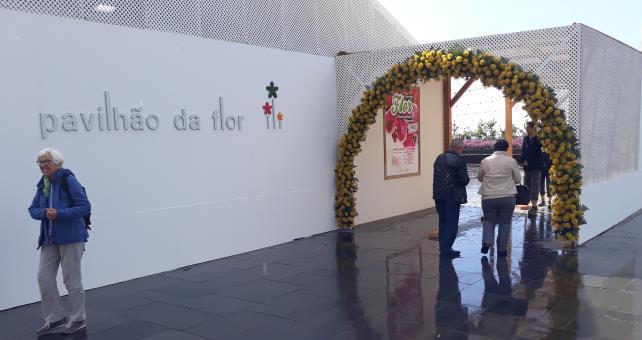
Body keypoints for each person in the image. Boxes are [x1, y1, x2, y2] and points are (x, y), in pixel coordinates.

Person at [28, 148, 90, 336]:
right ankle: (55, 318)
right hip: (49, 238)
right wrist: (45, 213)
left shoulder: (67, 179)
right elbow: (32, 209)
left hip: (71, 237)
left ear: (57, 163)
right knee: (44, 277)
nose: (43, 165)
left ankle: (78, 319)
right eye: (40, 162)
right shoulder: (43, 184)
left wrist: (60, 214)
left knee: (71, 279)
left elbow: (85, 206)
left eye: (46, 161)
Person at [477, 139, 521, 257]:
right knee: (505, 223)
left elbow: (480, 178)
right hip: (507, 197)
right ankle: (502, 249)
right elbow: (517, 179)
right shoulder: (511, 161)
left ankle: (486, 242)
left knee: (489, 220)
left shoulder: (485, 161)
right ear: (506, 149)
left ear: (494, 148)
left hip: (488, 197)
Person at [433, 139, 470, 257]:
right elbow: (464, 180)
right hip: (452, 195)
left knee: (442, 220)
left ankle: (442, 246)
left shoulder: (439, 158)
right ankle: (446, 248)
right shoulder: (459, 160)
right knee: (452, 221)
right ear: (460, 148)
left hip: (438, 194)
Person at [520, 122, 543, 217]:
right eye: (526, 128)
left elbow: (540, 155)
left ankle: (534, 206)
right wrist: (522, 161)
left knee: (535, 186)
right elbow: (523, 152)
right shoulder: (525, 139)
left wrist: (530, 162)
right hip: (527, 168)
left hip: (535, 167)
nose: (526, 129)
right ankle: (529, 203)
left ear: (534, 129)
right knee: (527, 185)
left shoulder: (539, 140)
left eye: (528, 128)